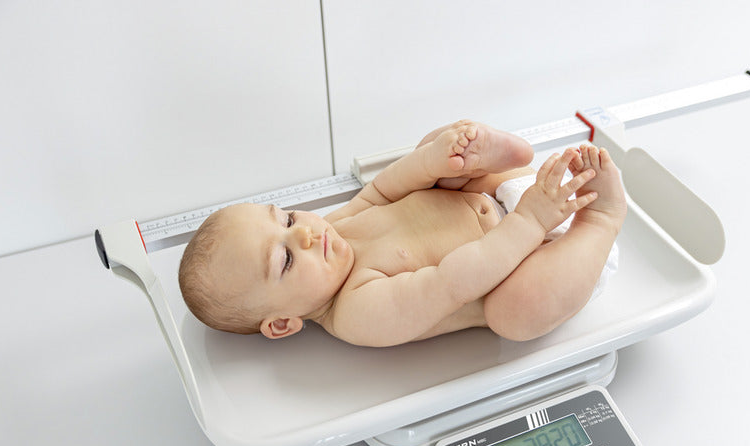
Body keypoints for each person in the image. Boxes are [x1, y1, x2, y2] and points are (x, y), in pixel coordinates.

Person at [178, 120, 627, 347]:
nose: (306, 237)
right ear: (282, 323)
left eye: (288, 220)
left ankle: (495, 153)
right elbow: (451, 281)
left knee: (434, 156)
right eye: (286, 261)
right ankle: (603, 218)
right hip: (540, 251)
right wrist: (529, 222)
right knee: (513, 314)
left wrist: (433, 161)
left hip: (507, 193)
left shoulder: (331, 232)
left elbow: (381, 189)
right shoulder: (356, 313)